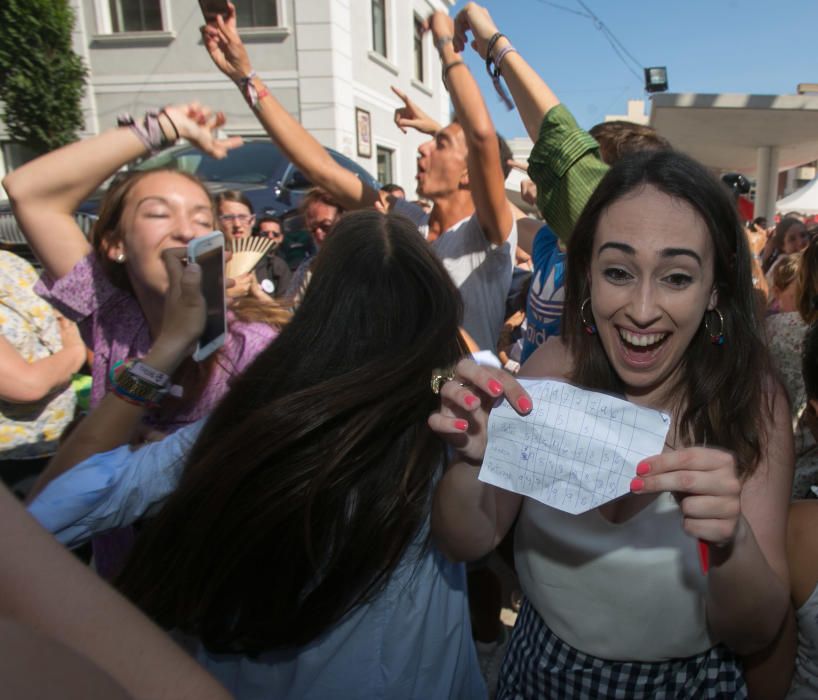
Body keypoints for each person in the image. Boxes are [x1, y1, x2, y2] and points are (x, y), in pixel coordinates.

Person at [30, 210, 485, 700]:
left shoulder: (260, 421)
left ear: (319, 310)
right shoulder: (453, 422)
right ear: (437, 314)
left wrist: (166, 350)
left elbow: (58, 505)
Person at [430, 149, 792, 698]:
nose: (642, 309)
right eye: (619, 272)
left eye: (676, 277)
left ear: (714, 288)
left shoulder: (750, 404)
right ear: (588, 277)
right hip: (537, 670)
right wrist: (470, 462)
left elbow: (755, 632)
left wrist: (730, 542)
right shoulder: (550, 374)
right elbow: (466, 540)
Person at [3, 102, 284, 576]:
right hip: (121, 588)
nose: (185, 230)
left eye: (201, 219)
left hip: (213, 609)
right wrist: (163, 128)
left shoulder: (253, 347)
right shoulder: (114, 314)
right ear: (115, 245)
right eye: (159, 213)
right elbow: (29, 193)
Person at [202, 4, 516, 352]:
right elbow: (321, 167)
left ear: (469, 172)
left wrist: (444, 42)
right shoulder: (405, 220)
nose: (423, 149)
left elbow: (482, 135)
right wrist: (246, 77)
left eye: (441, 143)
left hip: (464, 400)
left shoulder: (487, 234)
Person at [215, 191, 291, 299]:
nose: (237, 224)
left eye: (242, 217)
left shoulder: (274, 266)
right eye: (228, 218)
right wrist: (225, 295)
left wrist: (257, 293)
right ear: (217, 221)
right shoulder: (209, 265)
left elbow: (285, 315)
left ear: (252, 221)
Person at [284, 187, 344, 307]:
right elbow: (289, 313)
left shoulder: (368, 263)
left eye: (326, 226)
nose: (318, 234)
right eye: (312, 229)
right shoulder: (307, 269)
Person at [254, 214, 292, 297]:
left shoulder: (281, 266)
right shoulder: (248, 262)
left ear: (281, 238)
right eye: (265, 234)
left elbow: (284, 301)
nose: (270, 237)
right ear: (257, 236)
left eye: (275, 234)